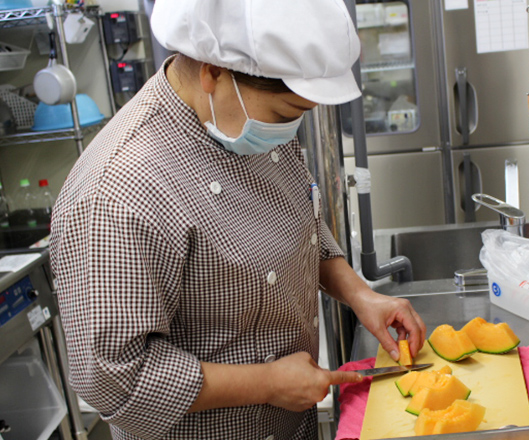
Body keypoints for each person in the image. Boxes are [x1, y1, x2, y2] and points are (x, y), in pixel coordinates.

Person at [48, 0, 426, 439]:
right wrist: (267, 383)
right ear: (212, 70)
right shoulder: (119, 190)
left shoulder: (240, 118)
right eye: (284, 115)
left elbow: (299, 220)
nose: (288, 130)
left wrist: (361, 296)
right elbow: (115, 380)